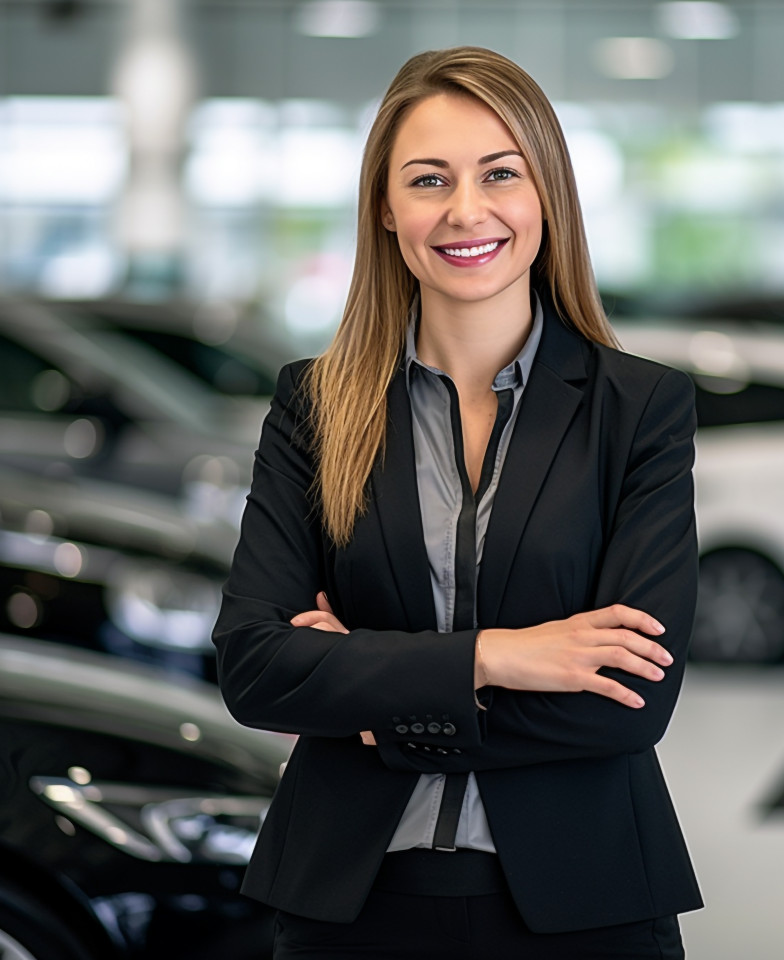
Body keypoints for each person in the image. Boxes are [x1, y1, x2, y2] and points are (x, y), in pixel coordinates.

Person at [213, 45, 702, 959]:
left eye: (500, 173)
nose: (466, 210)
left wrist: (362, 688)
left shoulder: (641, 411)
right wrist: (506, 656)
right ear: (387, 210)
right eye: (429, 178)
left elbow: (629, 698)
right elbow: (256, 666)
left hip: (585, 902)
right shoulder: (314, 408)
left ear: (546, 194)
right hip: (348, 908)